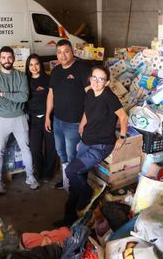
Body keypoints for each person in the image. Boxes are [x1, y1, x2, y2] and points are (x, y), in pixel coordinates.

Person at [54, 66, 128, 227]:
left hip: (101, 145)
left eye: (101, 79)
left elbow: (123, 117)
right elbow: (88, 110)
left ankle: (87, 194)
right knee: (76, 180)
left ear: (107, 82)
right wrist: (82, 124)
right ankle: (70, 218)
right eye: (94, 77)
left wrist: (121, 137)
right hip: (86, 141)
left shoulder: (109, 97)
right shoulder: (89, 93)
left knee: (71, 170)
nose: (96, 81)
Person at [0, 46, 39, 194]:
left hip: (19, 118)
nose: (6, 60)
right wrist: (12, 98)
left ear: (14, 58)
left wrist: (3, 94)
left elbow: (24, 97)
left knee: (26, 149)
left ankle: (30, 177)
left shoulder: (21, 76)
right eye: (3, 57)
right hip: (0, 119)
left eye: (9, 57)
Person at [45, 39, 91, 190]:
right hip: (57, 120)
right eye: (59, 52)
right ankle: (67, 181)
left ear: (72, 52)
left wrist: (85, 119)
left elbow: (90, 95)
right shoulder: (56, 70)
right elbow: (51, 95)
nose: (63, 55)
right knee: (61, 153)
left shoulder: (82, 68)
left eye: (66, 51)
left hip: (74, 123)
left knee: (73, 157)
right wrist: (47, 116)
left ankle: (76, 187)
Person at [26, 54, 57, 182]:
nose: (34, 67)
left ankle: (48, 173)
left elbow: (54, 98)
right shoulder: (25, 80)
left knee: (51, 147)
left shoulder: (48, 79)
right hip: (33, 120)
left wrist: (49, 116)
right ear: (28, 67)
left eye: (36, 64)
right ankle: (39, 170)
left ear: (41, 65)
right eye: (31, 65)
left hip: (49, 118)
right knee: (35, 148)